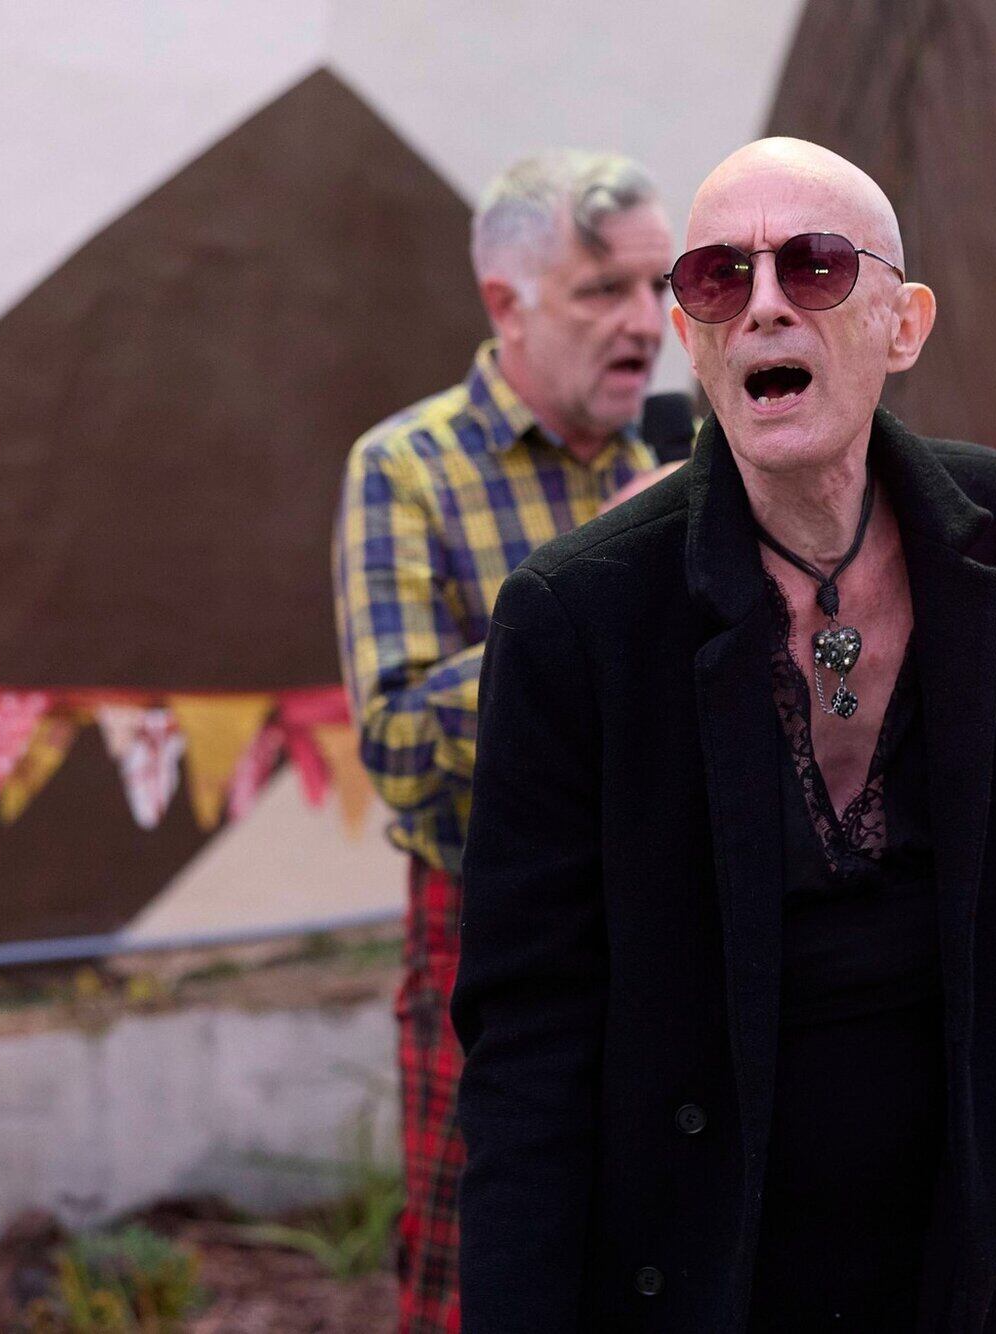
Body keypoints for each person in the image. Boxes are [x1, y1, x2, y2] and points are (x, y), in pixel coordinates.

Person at [451, 136, 996, 1332]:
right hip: (695, 1273)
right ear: (693, 333)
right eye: (717, 278)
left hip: (940, 1267)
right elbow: (527, 1038)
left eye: (811, 266)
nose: (762, 305)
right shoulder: (580, 611)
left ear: (901, 323)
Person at [332, 148, 674, 1334]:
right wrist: (588, 599)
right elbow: (395, 738)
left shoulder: (675, 471)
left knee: (655, 1256)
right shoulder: (405, 468)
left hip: (665, 926)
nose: (646, 324)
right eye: (601, 292)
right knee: (483, 1277)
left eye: (658, 286)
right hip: (487, 932)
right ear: (504, 303)